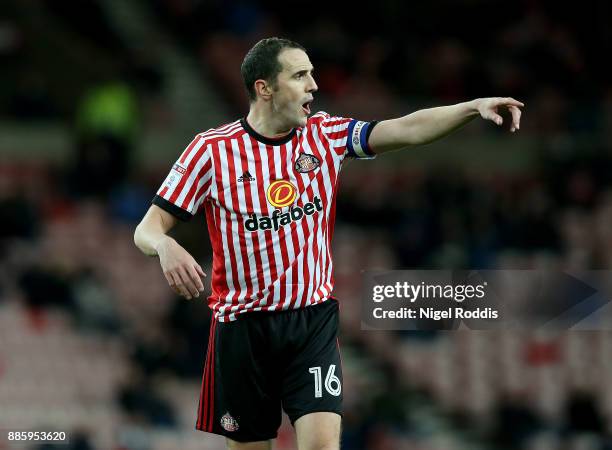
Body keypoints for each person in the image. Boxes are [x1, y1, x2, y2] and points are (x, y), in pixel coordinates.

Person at [133, 37, 523, 450]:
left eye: (312, 74)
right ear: (265, 88)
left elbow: (406, 129)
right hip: (242, 330)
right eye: (300, 75)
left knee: (321, 445)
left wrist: (470, 107)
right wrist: (164, 245)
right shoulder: (212, 150)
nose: (313, 85)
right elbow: (146, 228)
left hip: (310, 323)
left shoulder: (327, 136)